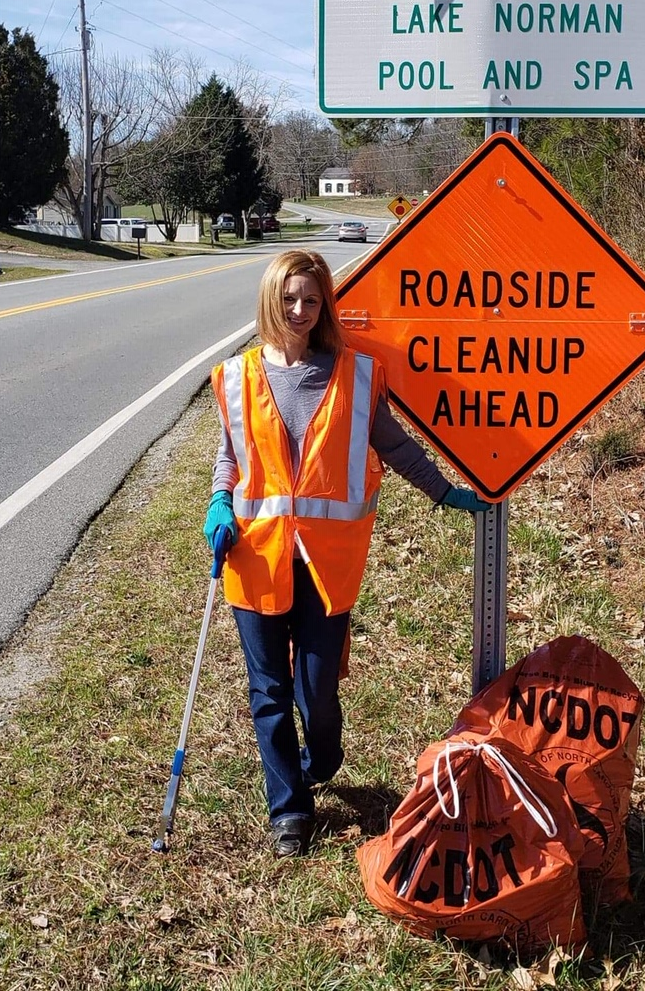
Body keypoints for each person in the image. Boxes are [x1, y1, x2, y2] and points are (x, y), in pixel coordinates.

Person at [204, 248, 489, 858]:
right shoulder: (236, 376)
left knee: (317, 692)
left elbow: (394, 445)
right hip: (254, 556)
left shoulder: (355, 375)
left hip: (327, 560)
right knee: (268, 690)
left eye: (311, 299)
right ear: (270, 301)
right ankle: (289, 812)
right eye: (290, 299)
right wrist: (218, 503)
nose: (301, 310)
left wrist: (444, 492)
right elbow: (230, 457)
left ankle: (323, 756)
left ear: (325, 304)